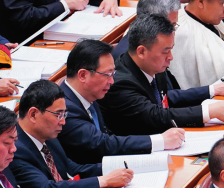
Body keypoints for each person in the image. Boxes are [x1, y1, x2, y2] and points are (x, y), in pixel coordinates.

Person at [9, 80, 133, 188]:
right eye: (58, 115)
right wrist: (104, 181)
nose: (63, 122)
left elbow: (71, 169)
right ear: (33, 114)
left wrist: (117, 167)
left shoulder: (47, 134)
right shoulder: (15, 150)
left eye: (64, 114)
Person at [99, 15, 224, 134]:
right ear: (141, 52)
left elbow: (164, 98)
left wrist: (212, 90)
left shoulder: (152, 66)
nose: (171, 57)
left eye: (171, 49)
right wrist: (207, 112)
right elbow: (156, 115)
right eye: (165, 52)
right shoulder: (120, 84)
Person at [58, 39, 186, 164]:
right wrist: (160, 141)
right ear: (83, 75)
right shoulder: (65, 109)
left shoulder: (89, 95)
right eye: (107, 75)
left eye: (113, 74)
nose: (112, 81)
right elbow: (102, 143)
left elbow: (109, 137)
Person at [111, 0, 182, 59]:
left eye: (174, 25)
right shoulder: (128, 59)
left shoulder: (152, 43)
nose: (173, 32)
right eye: (170, 26)